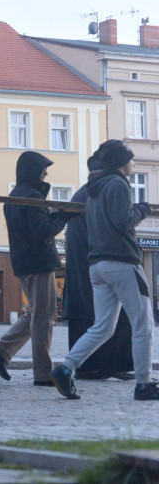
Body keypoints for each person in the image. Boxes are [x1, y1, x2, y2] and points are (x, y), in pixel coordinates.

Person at [53, 140, 159, 400]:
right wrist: (142, 209)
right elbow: (123, 221)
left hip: (97, 265)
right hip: (123, 262)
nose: (134, 163)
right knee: (143, 323)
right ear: (122, 163)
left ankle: (66, 369)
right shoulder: (119, 184)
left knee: (103, 327)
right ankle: (144, 384)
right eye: (131, 159)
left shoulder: (93, 188)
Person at [0, 151, 69, 386]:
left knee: (36, 313)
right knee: (44, 318)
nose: (46, 173)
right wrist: (63, 218)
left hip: (23, 263)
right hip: (39, 263)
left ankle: (0, 351)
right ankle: (43, 374)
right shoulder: (32, 197)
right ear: (34, 171)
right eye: (43, 169)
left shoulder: (16, 195)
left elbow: (33, 227)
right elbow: (42, 232)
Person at [62, 155, 134, 381]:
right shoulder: (103, 191)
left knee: (102, 321)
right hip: (102, 262)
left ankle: (85, 366)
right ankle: (113, 368)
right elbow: (119, 224)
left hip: (89, 265)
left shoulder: (86, 193)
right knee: (124, 318)